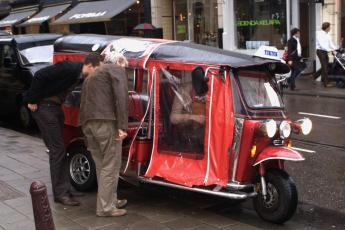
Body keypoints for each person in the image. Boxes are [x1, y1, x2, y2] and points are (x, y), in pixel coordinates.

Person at [23, 53, 103, 206]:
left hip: (54, 108)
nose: (98, 73)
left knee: (61, 149)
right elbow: (40, 75)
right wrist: (32, 99)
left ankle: (67, 189)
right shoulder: (70, 67)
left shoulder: (82, 76)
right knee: (57, 150)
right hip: (44, 108)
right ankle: (61, 194)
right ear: (90, 66)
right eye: (98, 69)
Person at [79, 52, 128, 217]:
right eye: (125, 65)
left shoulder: (92, 76)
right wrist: (122, 126)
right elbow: (122, 98)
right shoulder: (115, 69)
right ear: (119, 61)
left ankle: (110, 200)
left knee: (102, 165)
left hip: (88, 124)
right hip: (105, 123)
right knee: (111, 165)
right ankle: (106, 207)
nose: (125, 68)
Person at [316, 22, 336, 87]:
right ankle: (326, 83)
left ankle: (315, 76)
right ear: (327, 27)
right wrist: (330, 50)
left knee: (327, 65)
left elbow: (330, 43)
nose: (330, 28)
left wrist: (335, 48)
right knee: (325, 66)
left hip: (327, 51)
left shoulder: (328, 34)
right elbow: (322, 45)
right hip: (321, 51)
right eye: (329, 27)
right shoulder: (319, 34)